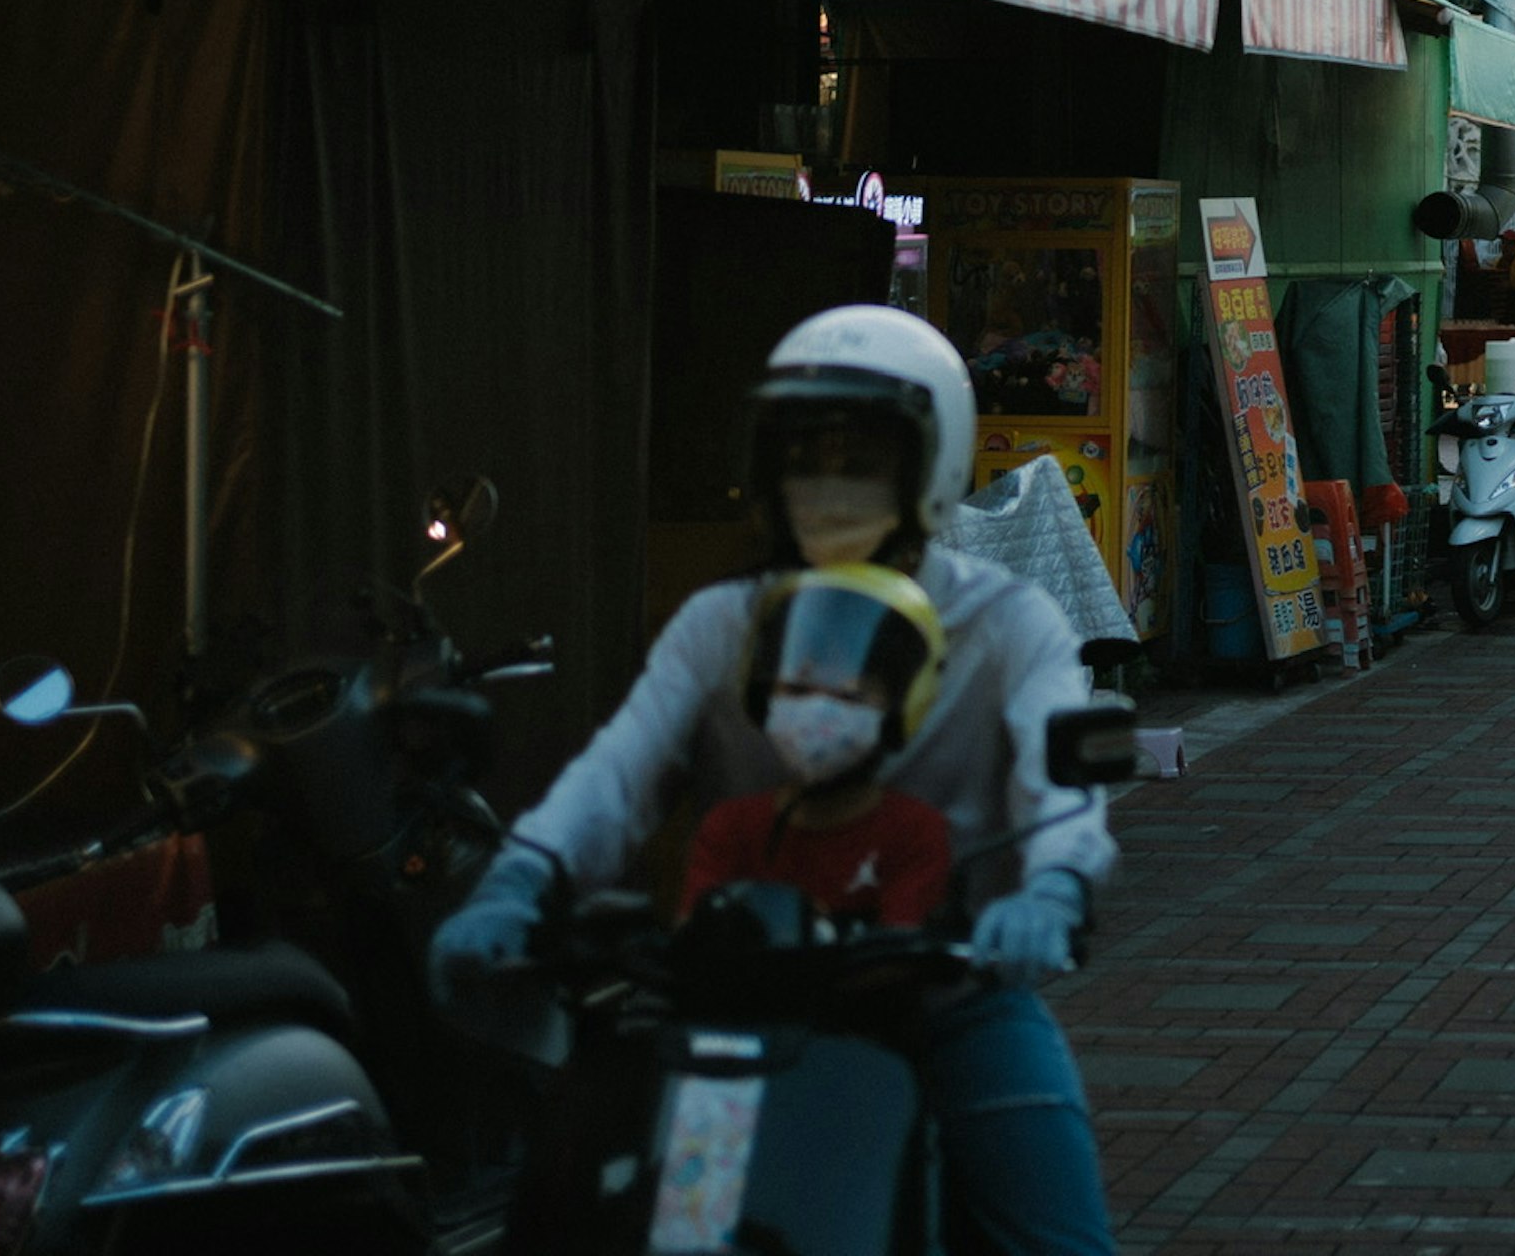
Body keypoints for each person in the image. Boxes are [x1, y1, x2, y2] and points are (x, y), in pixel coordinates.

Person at [429, 304, 1114, 1256]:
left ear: (935, 467)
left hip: (951, 1004)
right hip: (730, 1008)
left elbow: (1058, 770)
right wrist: (522, 879)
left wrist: (1055, 885)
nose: (827, 491)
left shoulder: (1007, 623)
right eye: (805, 460)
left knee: (1059, 1242)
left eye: (861, 461)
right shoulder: (721, 622)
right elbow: (618, 774)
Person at [680, 562, 953, 932]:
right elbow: (694, 944)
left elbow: (897, 961)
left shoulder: (915, 834)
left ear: (897, 712)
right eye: (797, 690)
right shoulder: (731, 830)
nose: (819, 710)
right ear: (766, 702)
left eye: (849, 694)